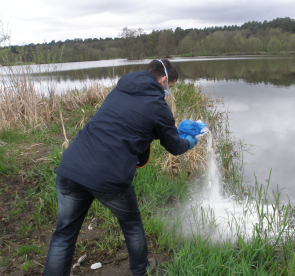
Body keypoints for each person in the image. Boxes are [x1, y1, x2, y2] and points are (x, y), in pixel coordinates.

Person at [44, 59, 197, 276]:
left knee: (64, 234)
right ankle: (141, 270)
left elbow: (125, 124)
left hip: (71, 167)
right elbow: (175, 147)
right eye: (169, 87)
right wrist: (191, 141)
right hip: (108, 176)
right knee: (132, 224)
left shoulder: (122, 87)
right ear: (164, 80)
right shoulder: (158, 105)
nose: (167, 92)